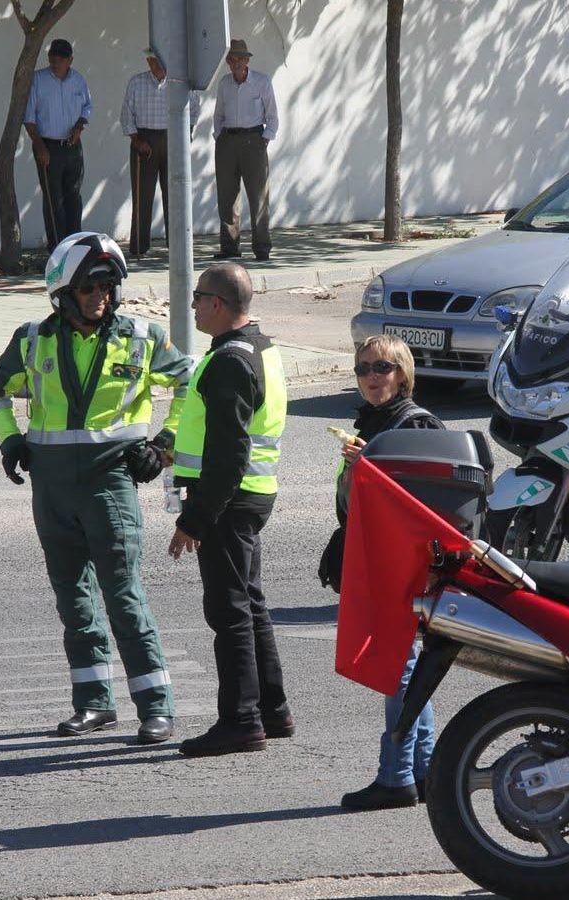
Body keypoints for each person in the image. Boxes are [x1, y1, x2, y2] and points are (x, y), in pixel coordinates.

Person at [0, 232, 193, 745]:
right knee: (73, 601)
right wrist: (10, 440)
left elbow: (191, 384)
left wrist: (164, 444)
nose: (100, 295)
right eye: (89, 287)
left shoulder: (142, 336)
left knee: (123, 596)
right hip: (51, 488)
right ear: (63, 294)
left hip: (109, 484)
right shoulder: (32, 338)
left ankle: (156, 707)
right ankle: (94, 703)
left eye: (107, 286)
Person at [167, 262, 291, 756]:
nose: (193, 306)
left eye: (198, 297)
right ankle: (272, 710)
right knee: (250, 604)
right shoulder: (262, 349)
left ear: (217, 304)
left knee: (229, 611)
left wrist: (195, 519)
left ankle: (241, 720)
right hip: (250, 496)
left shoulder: (229, 361)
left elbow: (228, 454)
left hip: (228, 502)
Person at [318, 336, 444, 810]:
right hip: (381, 558)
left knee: (399, 668)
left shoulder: (414, 424)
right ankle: (424, 772)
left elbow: (420, 504)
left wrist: (370, 466)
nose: (372, 376)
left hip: (403, 562)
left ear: (403, 374)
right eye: (363, 368)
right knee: (405, 669)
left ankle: (396, 776)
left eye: (383, 368)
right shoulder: (374, 424)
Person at [119, 49, 198, 258]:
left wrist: (186, 134)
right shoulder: (136, 82)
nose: (159, 65)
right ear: (148, 61)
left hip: (173, 138)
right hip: (144, 140)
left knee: (175, 194)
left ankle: (177, 244)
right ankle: (139, 245)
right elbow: (126, 115)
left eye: (162, 60)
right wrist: (136, 140)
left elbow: (194, 108)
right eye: (154, 60)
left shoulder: (180, 82)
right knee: (142, 195)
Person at [211, 39, 278, 262]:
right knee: (227, 196)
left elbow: (272, 116)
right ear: (228, 62)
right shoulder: (224, 83)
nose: (236, 63)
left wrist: (264, 140)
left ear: (247, 60)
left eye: (240, 58)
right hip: (228, 141)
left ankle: (262, 247)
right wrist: (219, 137)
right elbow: (218, 114)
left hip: (254, 140)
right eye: (232, 59)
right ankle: (229, 247)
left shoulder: (262, 81)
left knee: (259, 196)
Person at [25, 39, 92, 248]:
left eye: (61, 59)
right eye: (53, 57)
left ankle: (75, 245)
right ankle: (57, 248)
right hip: (48, 146)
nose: (56, 62)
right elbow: (29, 117)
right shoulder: (38, 80)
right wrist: (40, 146)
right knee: (54, 200)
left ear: (70, 60)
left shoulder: (78, 80)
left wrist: (80, 126)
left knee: (73, 196)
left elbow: (87, 107)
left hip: (73, 146)